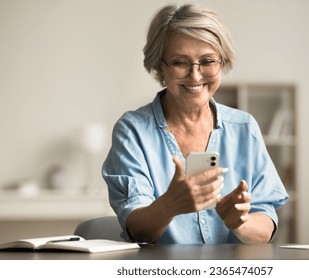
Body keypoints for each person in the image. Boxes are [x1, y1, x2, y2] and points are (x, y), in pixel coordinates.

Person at [102, 4, 288, 244]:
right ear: (160, 66)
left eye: (208, 61)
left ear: (222, 61)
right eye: (180, 62)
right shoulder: (133, 131)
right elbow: (137, 230)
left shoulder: (244, 128)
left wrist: (240, 222)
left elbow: (265, 226)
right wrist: (169, 205)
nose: (196, 75)